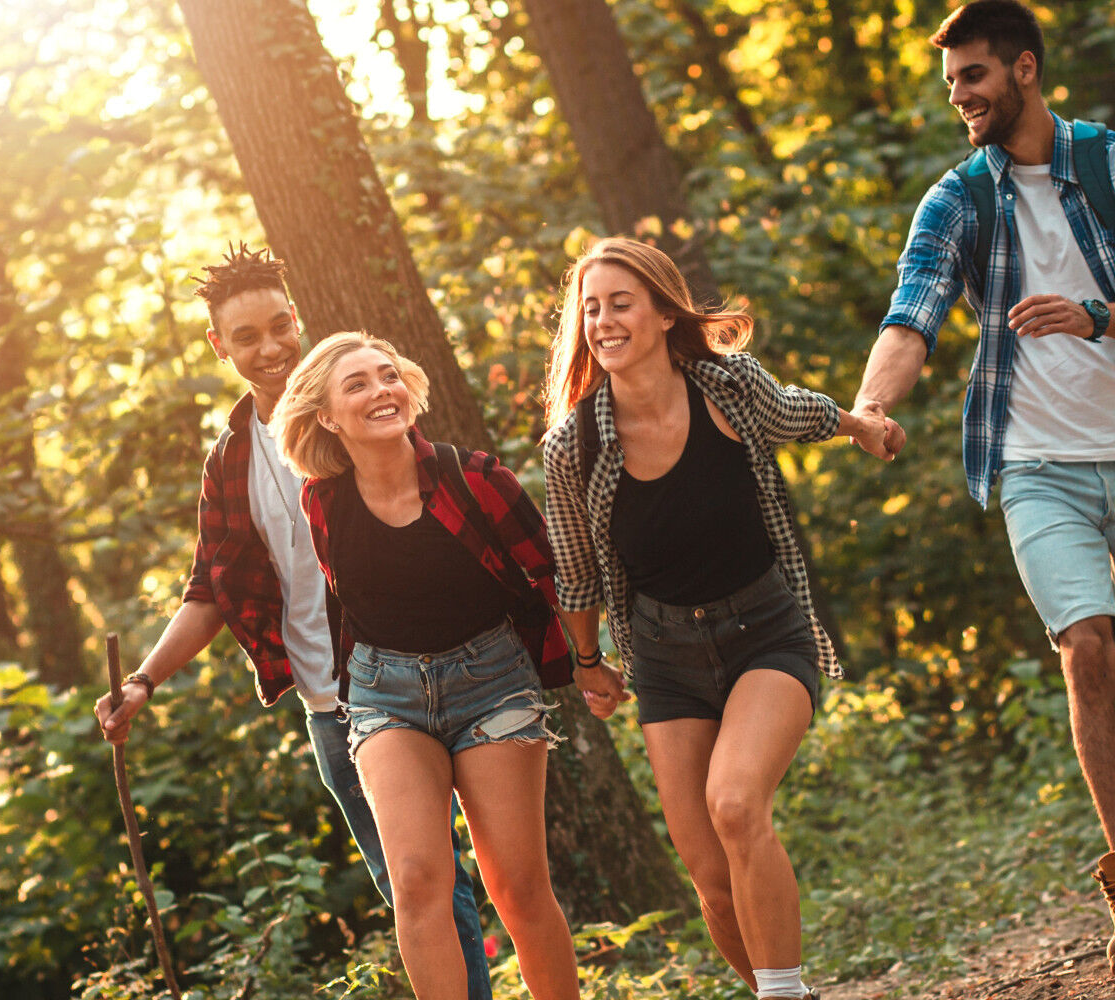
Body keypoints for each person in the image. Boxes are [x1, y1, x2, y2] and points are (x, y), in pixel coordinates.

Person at [849, 0, 1115, 974]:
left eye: (972, 78)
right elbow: (912, 314)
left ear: (1023, 69)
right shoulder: (956, 200)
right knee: (1084, 648)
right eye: (950, 85)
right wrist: (867, 404)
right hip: (1032, 466)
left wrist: (1093, 315)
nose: (960, 99)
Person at [91, 247, 493, 999]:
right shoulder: (230, 461)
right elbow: (210, 588)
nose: (271, 348)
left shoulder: (348, 422)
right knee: (416, 886)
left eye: (281, 326)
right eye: (247, 337)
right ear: (219, 346)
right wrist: (144, 680)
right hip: (327, 705)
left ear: (300, 319)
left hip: (417, 677)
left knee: (460, 881)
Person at [539, 237, 893, 1000]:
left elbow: (797, 413)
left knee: (734, 805)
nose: (602, 320)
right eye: (590, 308)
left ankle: (783, 993)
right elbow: (575, 571)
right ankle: (778, 986)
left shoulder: (728, 389)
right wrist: (588, 662)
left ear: (666, 314)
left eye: (621, 303)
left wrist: (859, 424)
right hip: (666, 659)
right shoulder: (575, 444)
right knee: (706, 868)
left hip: (765, 632)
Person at [273, 331, 580, 1000]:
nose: (381, 390)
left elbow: (552, 574)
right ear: (325, 416)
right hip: (388, 694)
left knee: (518, 886)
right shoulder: (323, 501)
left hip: (492, 681)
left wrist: (586, 660)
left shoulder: (475, 477)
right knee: (415, 879)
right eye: (357, 384)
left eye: (388, 376)